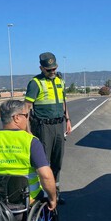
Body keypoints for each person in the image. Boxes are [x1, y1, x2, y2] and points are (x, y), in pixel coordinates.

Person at [25, 52, 72, 204]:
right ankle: (41, 196)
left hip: (59, 125)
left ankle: (55, 194)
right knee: (43, 163)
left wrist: (68, 119)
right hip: (43, 127)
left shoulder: (60, 80)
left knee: (57, 161)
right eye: (48, 69)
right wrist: (28, 131)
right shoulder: (35, 83)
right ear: (41, 68)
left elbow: (63, 102)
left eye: (54, 68)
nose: (52, 72)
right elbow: (26, 108)